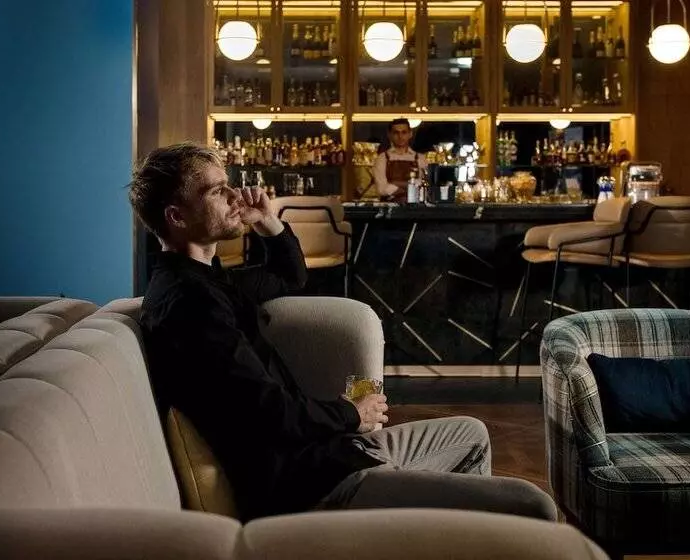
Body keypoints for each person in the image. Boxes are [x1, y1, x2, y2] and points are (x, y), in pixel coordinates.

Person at [129, 142, 556, 523]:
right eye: (216, 190)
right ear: (177, 217)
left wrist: (268, 223)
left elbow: (289, 276)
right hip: (310, 487)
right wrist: (352, 413)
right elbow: (269, 412)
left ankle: (447, 537)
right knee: (533, 505)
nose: (234, 196)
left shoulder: (209, 280)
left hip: (331, 456)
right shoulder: (190, 304)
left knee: (471, 433)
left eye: (229, 184)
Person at [371, 118, 428, 202]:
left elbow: (424, 186)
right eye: (396, 133)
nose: (400, 136)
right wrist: (410, 188)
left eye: (404, 132)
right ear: (389, 135)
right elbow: (382, 189)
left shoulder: (420, 158)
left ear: (410, 134)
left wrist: (395, 183)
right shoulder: (382, 158)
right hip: (389, 207)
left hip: (415, 207)